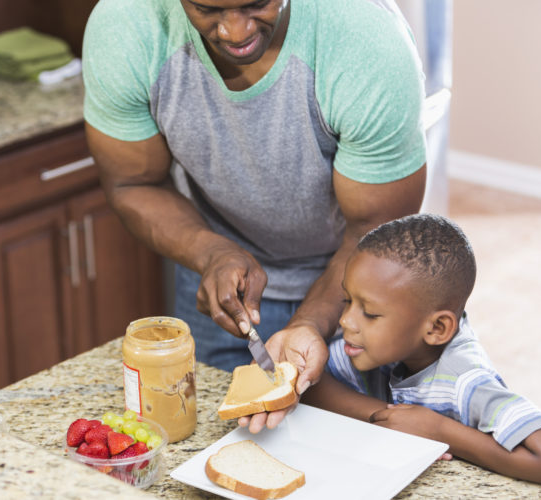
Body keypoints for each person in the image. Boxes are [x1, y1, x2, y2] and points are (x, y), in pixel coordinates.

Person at [82, 0, 427, 431]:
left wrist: (309, 323)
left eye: (256, 3)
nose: (234, 31)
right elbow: (133, 184)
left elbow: (375, 233)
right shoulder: (126, 25)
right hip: (216, 278)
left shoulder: (364, 41)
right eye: (208, 8)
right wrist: (210, 253)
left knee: (359, 447)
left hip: (358, 285)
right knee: (209, 441)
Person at [299, 213, 541, 485]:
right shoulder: (378, 348)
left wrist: (440, 431)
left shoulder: (465, 381)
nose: (346, 320)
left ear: (436, 329)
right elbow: (307, 382)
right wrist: (385, 417)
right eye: (347, 301)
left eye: (370, 313)